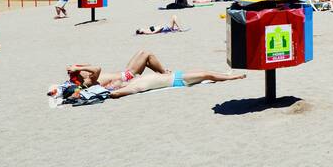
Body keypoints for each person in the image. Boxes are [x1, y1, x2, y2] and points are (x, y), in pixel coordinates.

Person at [105, 68, 246, 99]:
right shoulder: (133, 86)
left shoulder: (133, 80)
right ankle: (232, 77)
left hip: (175, 75)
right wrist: (109, 92)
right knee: (205, 75)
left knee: (204, 72)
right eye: (112, 83)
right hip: (177, 80)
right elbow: (116, 94)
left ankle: (225, 75)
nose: (113, 81)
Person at [65, 50, 169, 91]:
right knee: (147, 54)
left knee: (143, 56)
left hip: (126, 72)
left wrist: (76, 67)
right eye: (81, 71)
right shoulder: (88, 81)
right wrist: (78, 68)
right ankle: (165, 74)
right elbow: (97, 68)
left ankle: (160, 73)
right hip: (129, 75)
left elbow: (89, 65)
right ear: (80, 74)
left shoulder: (87, 77)